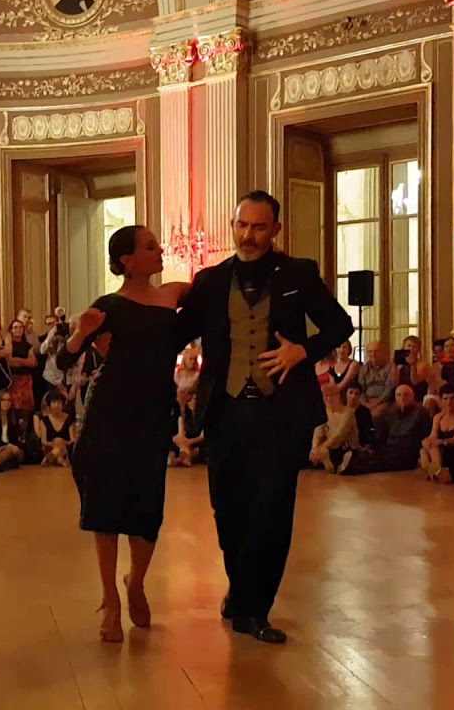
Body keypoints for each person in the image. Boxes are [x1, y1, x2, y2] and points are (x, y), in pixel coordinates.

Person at [175, 191, 353, 644]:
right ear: (232, 225)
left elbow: (338, 325)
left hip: (281, 414)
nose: (248, 235)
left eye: (258, 227)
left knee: (272, 511)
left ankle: (256, 609)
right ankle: (240, 587)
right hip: (225, 412)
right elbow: (177, 331)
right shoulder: (210, 281)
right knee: (228, 509)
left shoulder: (299, 274)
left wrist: (302, 349)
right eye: (241, 225)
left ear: (275, 229)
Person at [56, 224, 190, 644]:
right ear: (128, 260)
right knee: (107, 508)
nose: (160, 250)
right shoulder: (107, 305)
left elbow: (213, 286)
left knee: (147, 507)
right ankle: (110, 599)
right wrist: (82, 332)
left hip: (153, 416)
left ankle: (136, 582)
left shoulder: (173, 294)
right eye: (150, 247)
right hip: (110, 415)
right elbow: (64, 358)